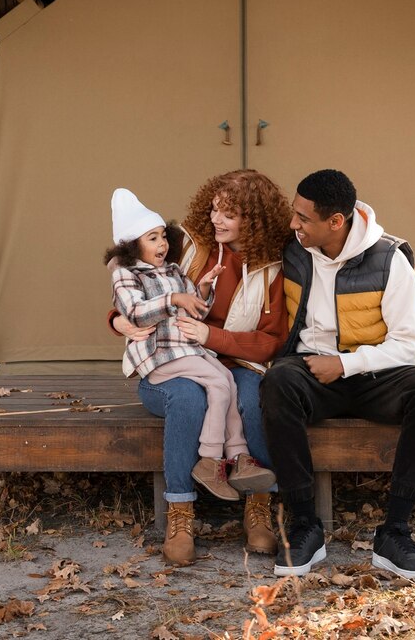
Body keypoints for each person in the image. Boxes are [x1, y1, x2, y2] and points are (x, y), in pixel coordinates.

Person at [261, 169, 415, 580]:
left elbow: (413, 343)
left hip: (375, 375)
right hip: (312, 372)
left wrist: (347, 364)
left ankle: (395, 533)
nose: (293, 224)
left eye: (303, 218)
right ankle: (305, 526)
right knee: (277, 382)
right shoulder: (293, 252)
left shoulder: (389, 259)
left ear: (335, 221)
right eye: (294, 213)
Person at [111, 170, 291, 566]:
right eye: (213, 209)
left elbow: (272, 340)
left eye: (229, 214)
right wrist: (117, 320)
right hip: (171, 360)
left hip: (236, 359)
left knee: (252, 399)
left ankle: (258, 506)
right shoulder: (187, 246)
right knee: (189, 400)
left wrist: (214, 338)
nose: (216, 220)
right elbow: (136, 286)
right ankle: (180, 513)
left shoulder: (274, 267)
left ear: (254, 220)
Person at [106, 188, 272, 505]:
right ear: (132, 246)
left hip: (189, 350)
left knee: (228, 382)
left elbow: (195, 309)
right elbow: (135, 311)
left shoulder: (172, 270)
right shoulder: (126, 275)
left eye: (163, 236)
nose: (163, 244)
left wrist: (203, 289)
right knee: (218, 383)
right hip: (160, 354)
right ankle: (210, 458)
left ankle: (238, 454)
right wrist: (171, 300)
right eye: (152, 238)